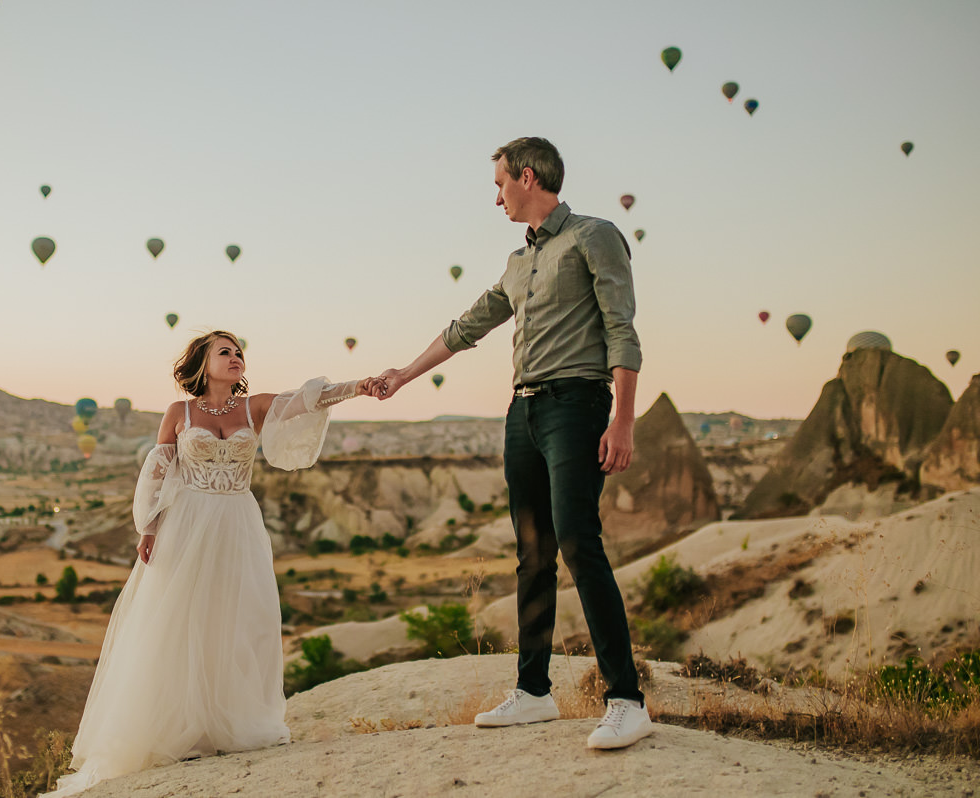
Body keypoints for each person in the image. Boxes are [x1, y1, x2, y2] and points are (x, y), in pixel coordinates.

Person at [378, 137, 651, 750]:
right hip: (523, 412)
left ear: (527, 177)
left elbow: (622, 331)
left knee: (579, 541)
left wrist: (624, 420)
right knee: (533, 551)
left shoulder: (593, 235)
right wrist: (402, 375)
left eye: (499, 183)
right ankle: (533, 692)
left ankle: (627, 700)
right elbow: (468, 325)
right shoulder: (516, 261)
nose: (495, 196)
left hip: (578, 405)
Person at [43, 331, 385, 796]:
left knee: (242, 617)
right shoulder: (178, 412)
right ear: (203, 364)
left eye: (239, 351)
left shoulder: (254, 408)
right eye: (225, 351)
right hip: (188, 522)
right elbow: (160, 470)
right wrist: (149, 527)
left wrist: (359, 385)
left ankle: (230, 722)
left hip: (238, 522)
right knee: (181, 619)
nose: (236, 357)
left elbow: (308, 399)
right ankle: (182, 728)